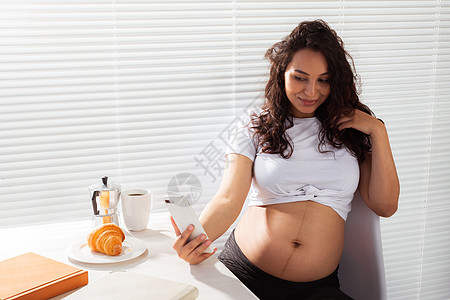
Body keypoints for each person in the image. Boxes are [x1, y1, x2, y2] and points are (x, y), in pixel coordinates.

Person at [171, 19, 400, 299]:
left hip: (315, 289)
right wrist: (196, 240)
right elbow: (229, 198)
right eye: (300, 77)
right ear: (282, 73)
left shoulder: (354, 130)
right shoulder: (255, 125)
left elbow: (385, 206)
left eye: (323, 80)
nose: (311, 91)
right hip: (243, 273)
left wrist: (378, 130)